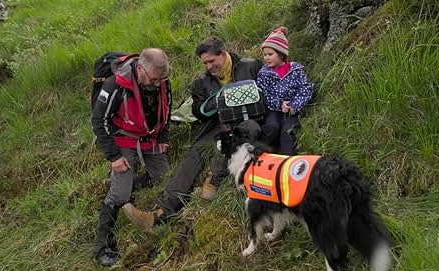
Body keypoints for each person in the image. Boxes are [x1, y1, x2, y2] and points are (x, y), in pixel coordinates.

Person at [122, 36, 263, 230]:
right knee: (194, 154)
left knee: (243, 131)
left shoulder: (251, 66)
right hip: (218, 124)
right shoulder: (202, 83)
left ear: (223, 54)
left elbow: (268, 92)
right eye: (204, 63)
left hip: (249, 121)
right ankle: (160, 214)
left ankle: (214, 178)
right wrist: (216, 101)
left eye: (212, 61)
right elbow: (198, 112)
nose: (208, 67)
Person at [91, 48, 172, 267]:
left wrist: (163, 136)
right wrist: (114, 157)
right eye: (154, 79)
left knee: (163, 179)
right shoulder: (115, 85)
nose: (157, 84)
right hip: (123, 140)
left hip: (149, 137)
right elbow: (99, 121)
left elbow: (167, 108)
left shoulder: (161, 81)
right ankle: (103, 247)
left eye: (161, 79)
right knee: (120, 196)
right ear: (139, 69)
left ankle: (120, 182)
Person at [257, 27, 313, 155]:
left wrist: (294, 105)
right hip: (273, 109)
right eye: (265, 55)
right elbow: (263, 94)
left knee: (288, 132)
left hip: (291, 109)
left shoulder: (296, 70)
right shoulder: (264, 73)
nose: (266, 58)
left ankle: (287, 161)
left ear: (281, 54)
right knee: (272, 127)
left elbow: (305, 88)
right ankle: (259, 154)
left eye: (270, 54)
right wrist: (279, 104)